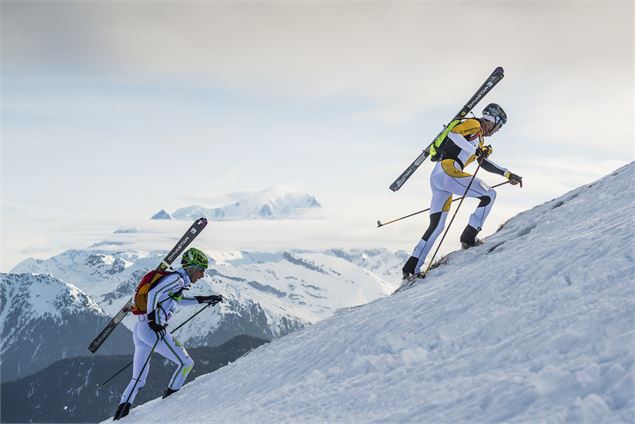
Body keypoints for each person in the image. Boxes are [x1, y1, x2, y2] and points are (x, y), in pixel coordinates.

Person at [402, 103, 522, 280]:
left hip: (439, 175)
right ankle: (469, 237)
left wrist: (507, 174)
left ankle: (411, 267)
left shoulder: (478, 138)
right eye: (499, 126)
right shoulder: (474, 125)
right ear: (493, 121)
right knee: (489, 195)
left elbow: (482, 162)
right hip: (448, 171)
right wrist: (474, 149)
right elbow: (453, 133)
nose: (497, 131)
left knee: (437, 226)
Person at [113, 247, 223, 420]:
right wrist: (152, 319)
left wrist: (204, 299)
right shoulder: (177, 280)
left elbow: (178, 301)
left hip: (141, 329)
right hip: (152, 329)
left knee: (138, 379)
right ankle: (170, 402)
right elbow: (153, 293)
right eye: (201, 270)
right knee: (186, 363)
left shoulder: (178, 282)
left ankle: (119, 417)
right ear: (192, 267)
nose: (202, 275)